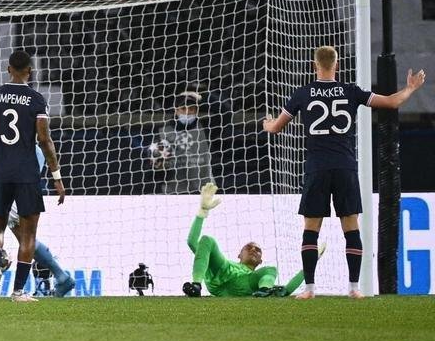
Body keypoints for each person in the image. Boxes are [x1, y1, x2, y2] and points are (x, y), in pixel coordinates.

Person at [264, 47, 426, 299]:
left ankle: (309, 289)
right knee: (351, 226)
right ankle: (353, 288)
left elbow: (275, 128)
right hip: (344, 166)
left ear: (313, 65)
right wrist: (411, 88)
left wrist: (267, 123)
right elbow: (392, 102)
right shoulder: (350, 91)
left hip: (317, 167)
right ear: (337, 65)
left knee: (311, 228)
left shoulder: (302, 94)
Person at [0, 51, 71, 302]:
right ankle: (18, 291)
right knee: (28, 235)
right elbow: (44, 140)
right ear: (29, 70)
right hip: (27, 173)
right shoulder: (36, 99)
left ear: (8, 69)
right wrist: (57, 176)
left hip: (0, 172)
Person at [182, 182, 318, 297]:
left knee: (271, 269)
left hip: (247, 284)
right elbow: (192, 242)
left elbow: (286, 290)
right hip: (221, 273)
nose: (253, 249)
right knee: (207, 239)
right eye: (248, 247)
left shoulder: (258, 278)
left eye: (258, 250)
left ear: (260, 261)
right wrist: (202, 212)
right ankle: (196, 286)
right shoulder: (225, 265)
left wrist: (313, 259)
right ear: (239, 254)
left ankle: (264, 291)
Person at [148, 90, 215, 195]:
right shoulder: (163, 131)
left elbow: (226, 114)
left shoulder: (207, 128)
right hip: (174, 191)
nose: (187, 112)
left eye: (192, 109)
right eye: (183, 109)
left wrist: (206, 96)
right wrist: (158, 162)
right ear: (176, 111)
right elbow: (154, 164)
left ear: (197, 111)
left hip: (203, 190)